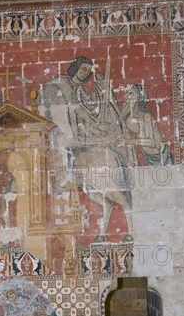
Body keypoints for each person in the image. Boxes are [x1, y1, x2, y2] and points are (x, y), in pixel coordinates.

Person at [42, 56, 133, 242]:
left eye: (86, 71)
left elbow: (84, 107)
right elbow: (76, 109)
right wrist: (94, 124)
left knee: (114, 196)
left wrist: (101, 90)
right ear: (75, 68)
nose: (84, 73)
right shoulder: (63, 84)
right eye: (82, 69)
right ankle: (64, 178)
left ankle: (128, 230)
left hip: (72, 134)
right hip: (60, 130)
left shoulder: (77, 88)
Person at [121, 84, 173, 165]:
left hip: (159, 158)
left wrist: (127, 141)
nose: (127, 96)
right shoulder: (130, 116)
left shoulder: (146, 116)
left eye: (131, 93)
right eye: (128, 93)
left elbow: (151, 142)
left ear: (138, 97)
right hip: (148, 156)